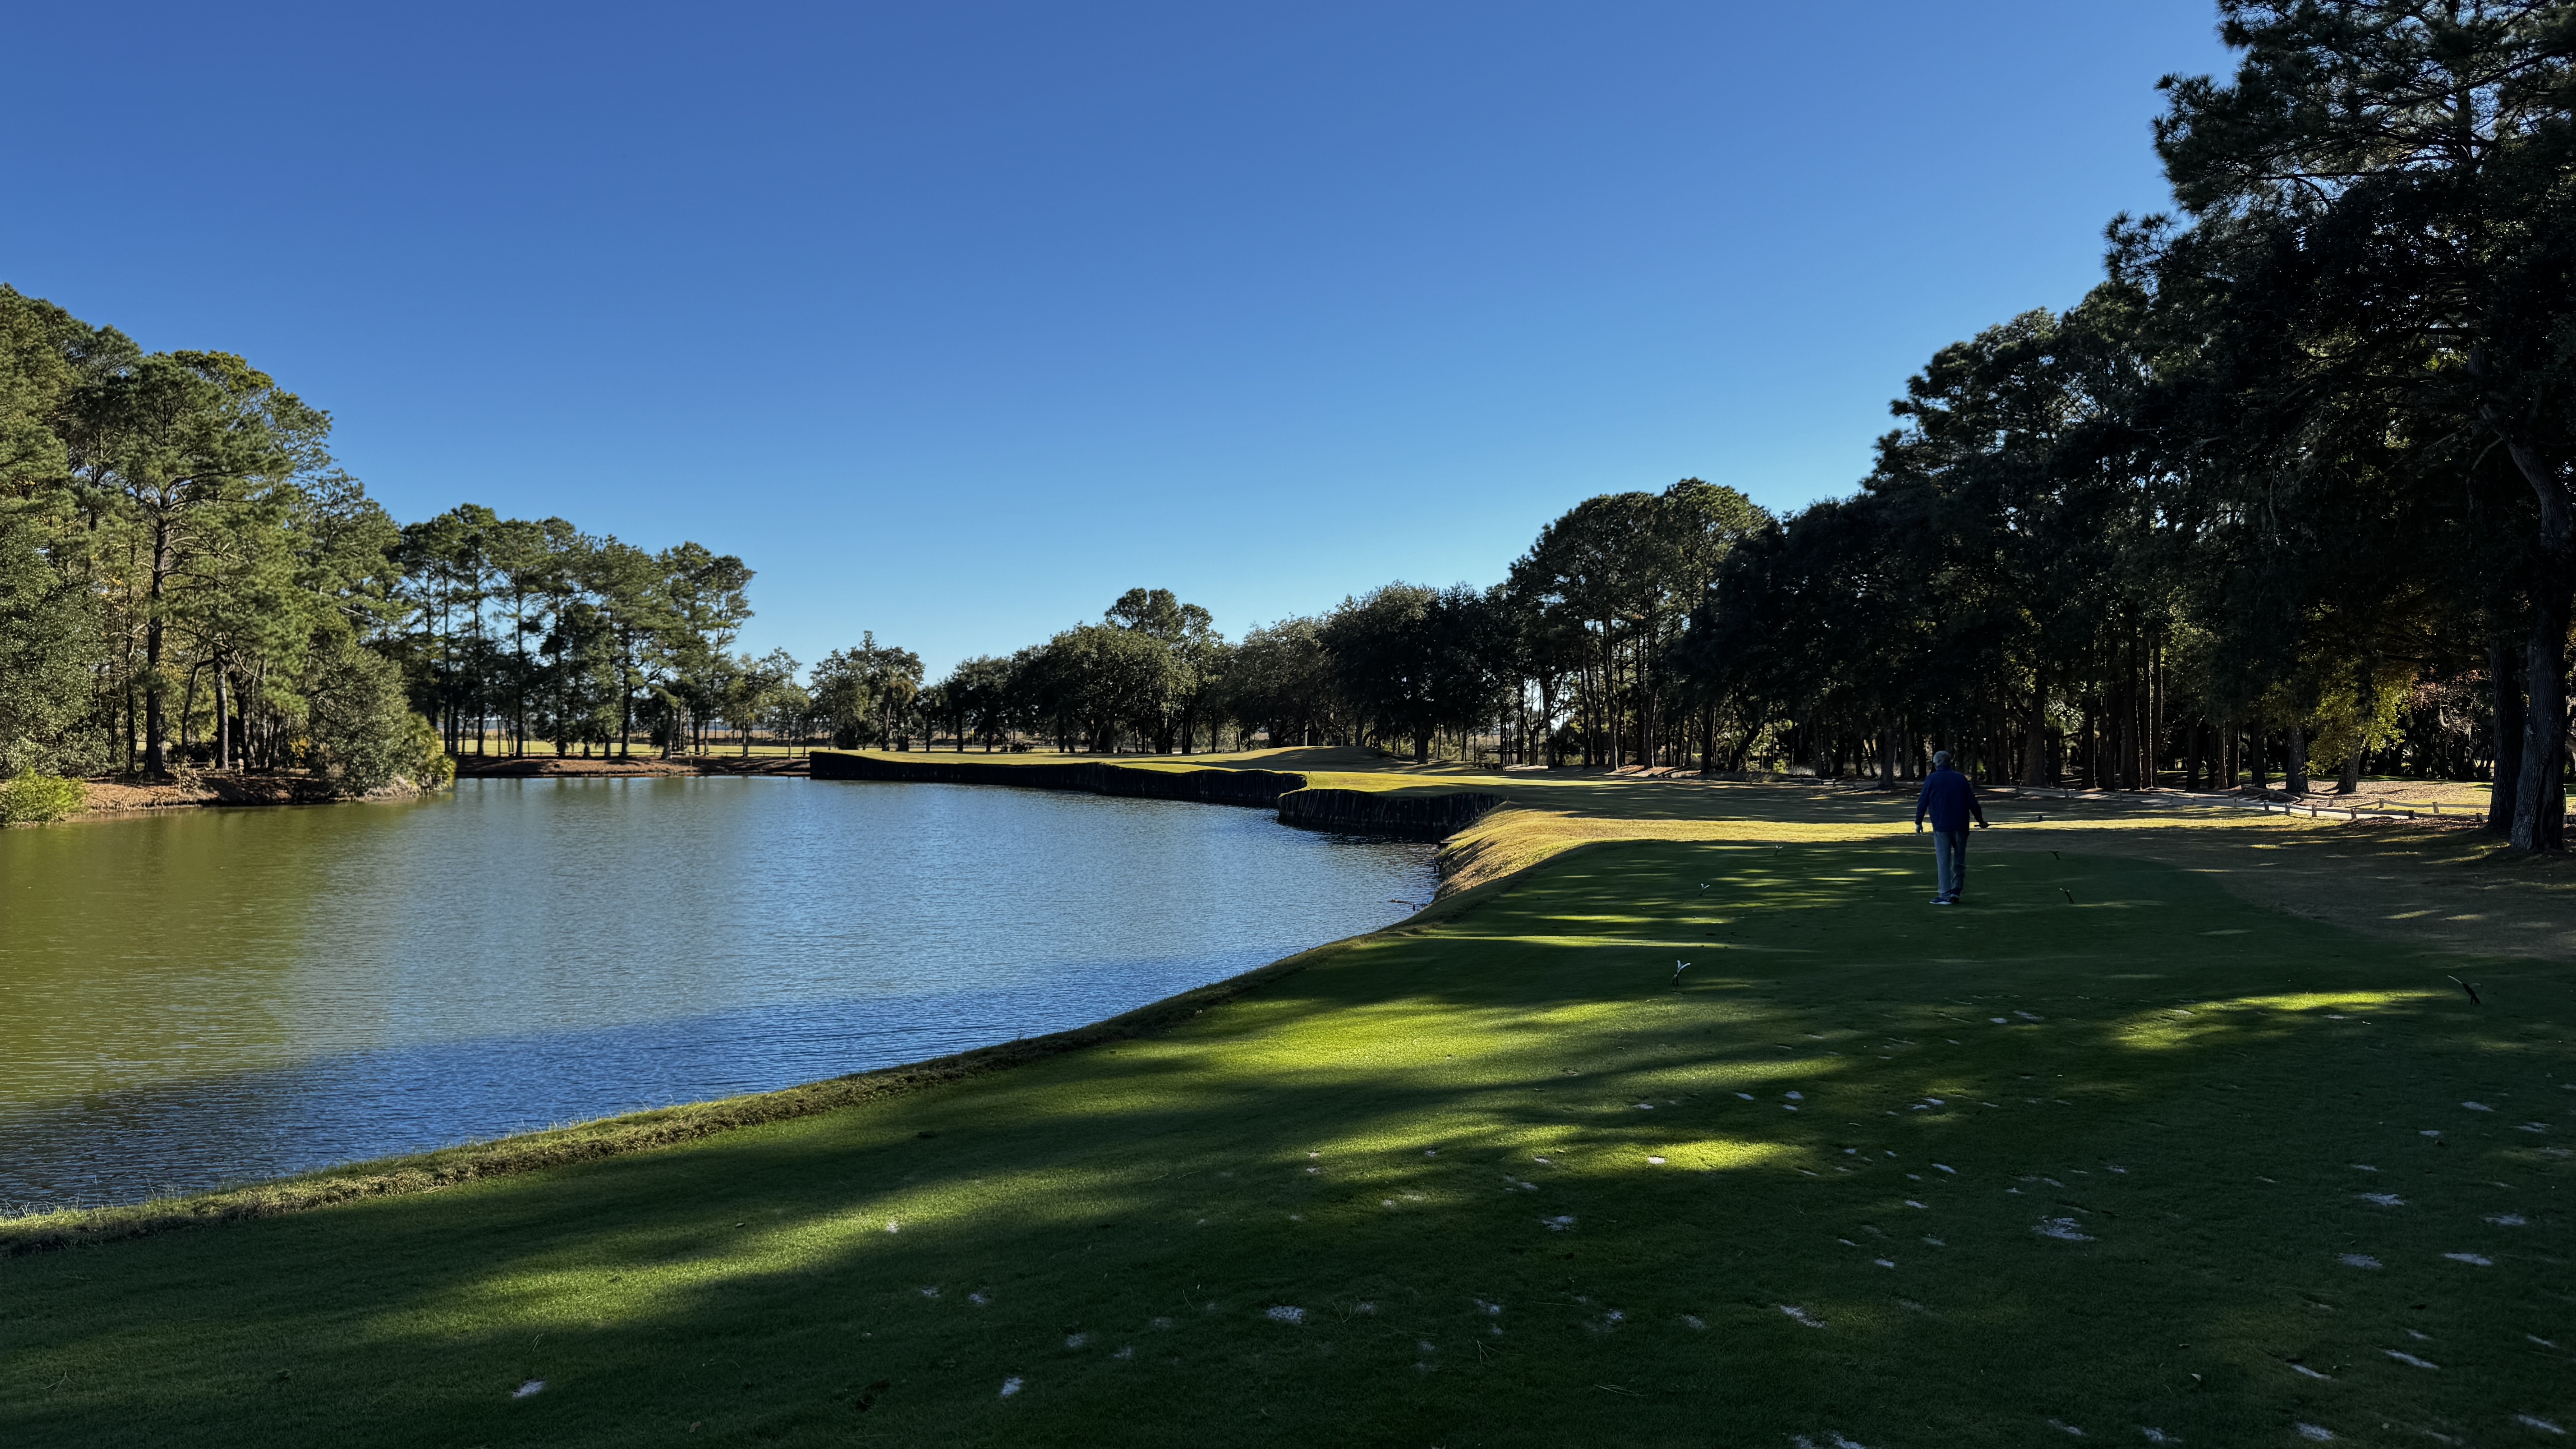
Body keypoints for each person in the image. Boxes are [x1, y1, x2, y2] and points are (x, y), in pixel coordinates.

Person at [1913, 750, 1988, 905]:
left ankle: (1945, 894)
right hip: (1961, 825)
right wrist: (1981, 821)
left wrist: (1919, 821)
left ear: (1936, 763)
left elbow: (1923, 801)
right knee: (1959, 861)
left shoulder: (1932, 779)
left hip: (1942, 826)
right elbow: (1973, 802)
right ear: (1950, 762)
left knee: (1944, 861)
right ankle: (1956, 891)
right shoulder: (1960, 779)